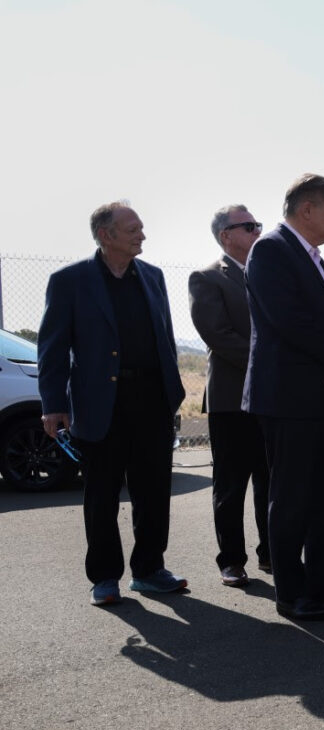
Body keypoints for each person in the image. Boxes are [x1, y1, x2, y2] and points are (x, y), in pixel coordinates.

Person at [38, 201, 187, 606]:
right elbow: (52, 348)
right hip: (99, 403)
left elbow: (165, 337)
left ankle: (150, 570)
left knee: (153, 490)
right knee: (101, 493)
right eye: (133, 229)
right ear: (106, 235)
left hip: (153, 399)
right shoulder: (70, 281)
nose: (142, 235)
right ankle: (104, 577)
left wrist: (172, 391)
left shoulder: (152, 276)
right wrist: (53, 403)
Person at [244, 173, 324, 622]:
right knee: (292, 497)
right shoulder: (271, 250)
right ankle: (291, 592)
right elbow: (288, 320)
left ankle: (322, 580)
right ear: (307, 210)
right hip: (288, 399)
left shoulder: (313, 258)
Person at [189, 204, 270, 587]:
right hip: (231, 399)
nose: (258, 231)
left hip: (271, 397)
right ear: (226, 236)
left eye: (258, 224)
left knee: (270, 481)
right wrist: (271, 361)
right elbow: (218, 335)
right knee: (231, 484)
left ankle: (272, 553)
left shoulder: (267, 273)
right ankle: (232, 560)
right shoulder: (207, 278)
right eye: (249, 226)